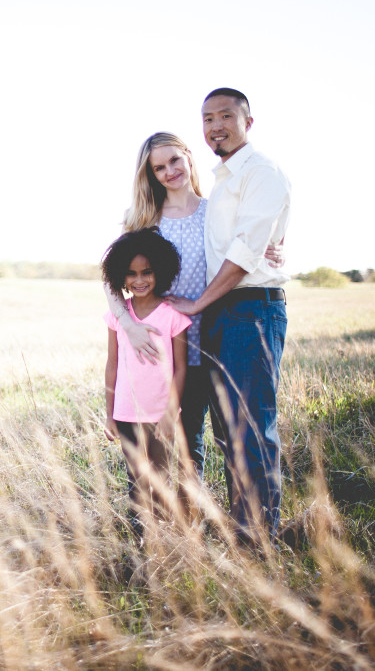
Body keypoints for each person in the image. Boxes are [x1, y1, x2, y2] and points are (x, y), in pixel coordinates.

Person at [105, 132, 283, 521]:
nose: (170, 171)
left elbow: (246, 247)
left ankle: (224, 526)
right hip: (167, 351)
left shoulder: (215, 211)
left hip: (218, 338)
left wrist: (271, 248)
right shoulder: (145, 221)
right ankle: (169, 527)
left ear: (188, 157)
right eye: (159, 167)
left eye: (174, 160)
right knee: (173, 444)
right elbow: (111, 279)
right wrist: (129, 327)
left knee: (220, 441)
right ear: (150, 175)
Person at [168, 88, 291, 546]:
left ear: (248, 122)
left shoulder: (262, 173)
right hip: (223, 313)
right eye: (207, 118)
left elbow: (243, 255)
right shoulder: (222, 183)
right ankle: (240, 530)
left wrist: (198, 303)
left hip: (251, 309)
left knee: (250, 427)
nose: (214, 126)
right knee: (227, 431)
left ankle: (257, 542)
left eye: (225, 116)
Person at [102, 228, 190, 535]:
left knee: (161, 477)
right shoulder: (118, 316)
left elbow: (181, 369)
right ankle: (142, 540)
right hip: (126, 413)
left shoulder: (172, 316)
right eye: (131, 274)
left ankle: (166, 538)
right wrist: (110, 414)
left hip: (160, 415)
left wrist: (170, 413)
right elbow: (112, 365)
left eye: (147, 272)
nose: (139, 281)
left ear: (160, 272)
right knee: (137, 479)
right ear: (120, 277)